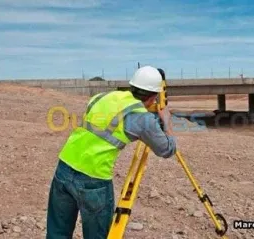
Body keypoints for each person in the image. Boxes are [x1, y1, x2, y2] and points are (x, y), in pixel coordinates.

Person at [46, 66, 177, 239]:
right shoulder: (142, 118)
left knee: (57, 234)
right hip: (94, 179)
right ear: (154, 97)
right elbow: (167, 149)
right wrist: (166, 122)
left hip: (64, 167)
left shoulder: (104, 96)